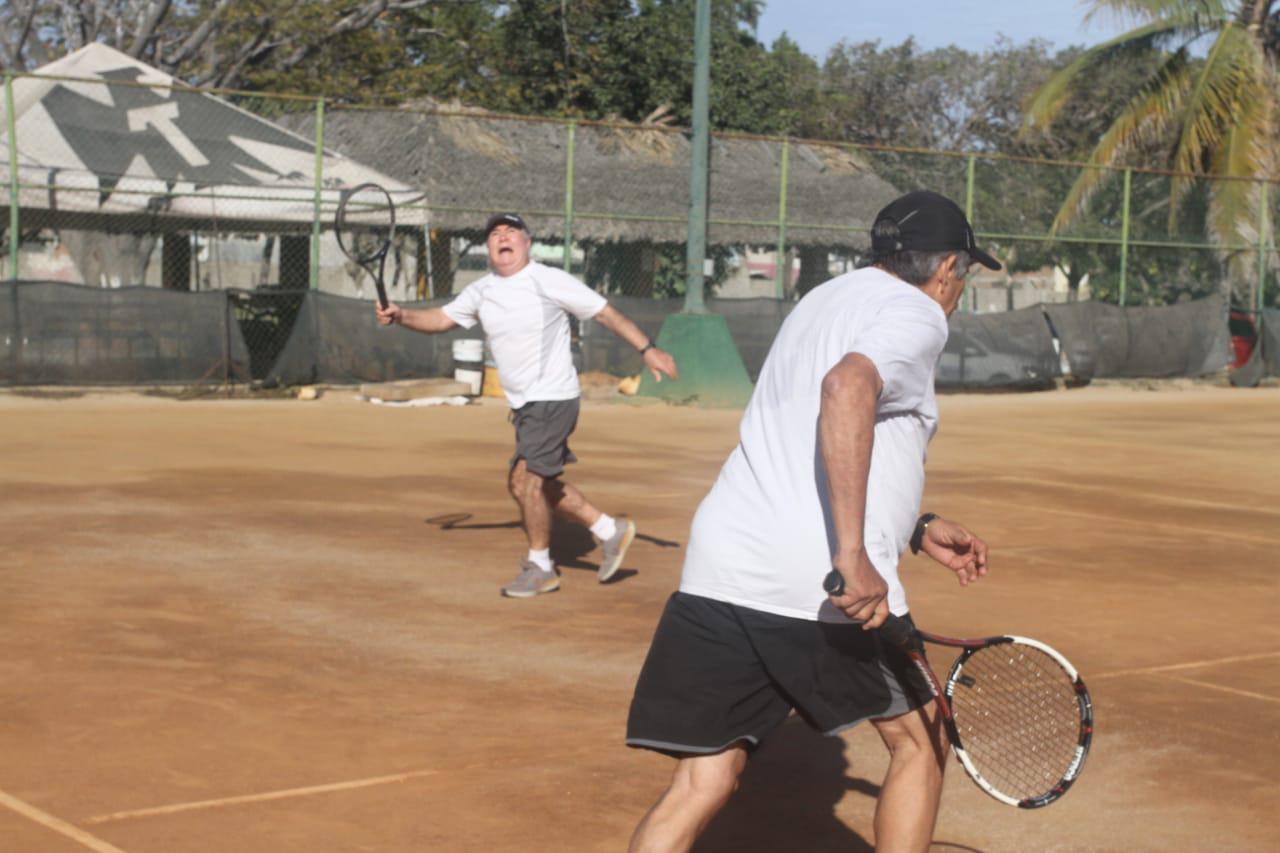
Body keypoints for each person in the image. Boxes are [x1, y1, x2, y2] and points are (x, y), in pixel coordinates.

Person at [625, 190, 994, 852]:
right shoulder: (918, 313)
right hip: (816, 583)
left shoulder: (822, 299)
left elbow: (810, 434)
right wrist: (853, 554)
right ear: (946, 268)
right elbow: (845, 390)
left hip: (721, 565)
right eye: (964, 273)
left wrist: (915, 524)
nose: (959, 289)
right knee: (921, 742)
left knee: (701, 782)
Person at [375, 212, 678, 598]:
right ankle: (608, 529)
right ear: (489, 247)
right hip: (525, 406)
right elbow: (441, 319)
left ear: (527, 242)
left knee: (526, 482)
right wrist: (401, 315)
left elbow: (603, 311)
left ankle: (540, 567)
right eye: (495, 234)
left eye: (511, 232)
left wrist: (647, 349)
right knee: (535, 485)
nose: (502, 237)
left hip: (552, 399)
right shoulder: (482, 290)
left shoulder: (547, 280)